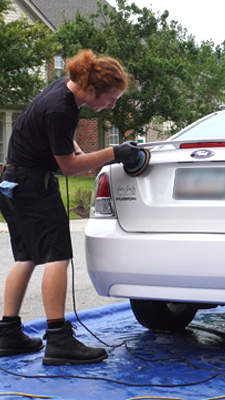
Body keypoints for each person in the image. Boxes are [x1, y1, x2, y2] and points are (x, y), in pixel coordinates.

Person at [0, 49, 141, 365]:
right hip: (32, 185)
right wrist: (113, 153)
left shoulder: (65, 88)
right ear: (91, 89)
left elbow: (63, 142)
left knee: (26, 256)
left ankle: (7, 333)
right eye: (110, 98)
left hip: (12, 182)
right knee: (57, 257)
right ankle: (59, 340)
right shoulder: (60, 108)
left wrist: (84, 150)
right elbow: (69, 167)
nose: (112, 104)